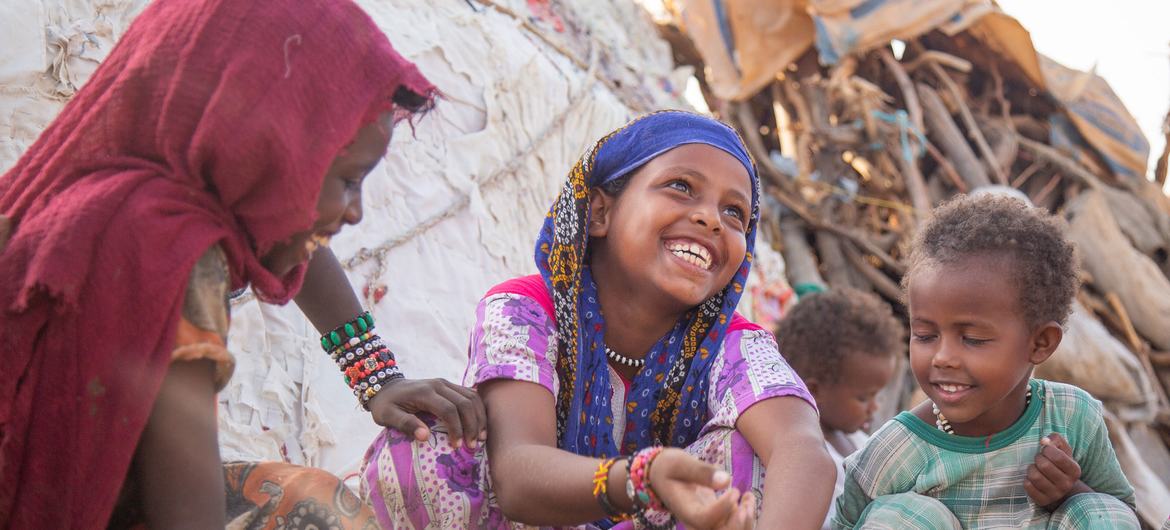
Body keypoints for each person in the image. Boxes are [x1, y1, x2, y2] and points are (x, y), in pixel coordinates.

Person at [0, 0, 485, 527]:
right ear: (265, 152)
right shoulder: (169, 258)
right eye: (347, 181)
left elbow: (297, 228)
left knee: (310, 498)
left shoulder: (119, 193)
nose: (356, 212)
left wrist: (376, 376)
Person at [361, 111, 835, 529]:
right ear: (600, 213)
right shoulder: (525, 309)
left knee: (751, 457)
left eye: (735, 213)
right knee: (428, 445)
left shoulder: (735, 347)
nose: (712, 219)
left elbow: (804, 451)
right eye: (681, 187)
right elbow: (517, 474)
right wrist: (640, 480)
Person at [832, 194, 1138, 529]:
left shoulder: (1072, 418)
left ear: (1040, 343)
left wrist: (1068, 492)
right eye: (925, 335)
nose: (943, 357)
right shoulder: (896, 451)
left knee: (1100, 511)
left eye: (973, 339)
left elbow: (1121, 514)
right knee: (905, 517)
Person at [776, 287, 901, 530]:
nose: (874, 407)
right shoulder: (805, 463)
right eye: (864, 397)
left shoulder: (858, 440)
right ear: (815, 391)